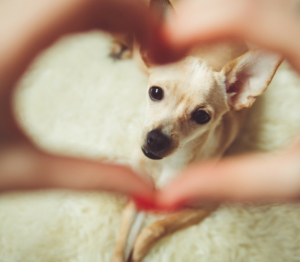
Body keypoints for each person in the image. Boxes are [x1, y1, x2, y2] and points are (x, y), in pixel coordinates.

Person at [1, 0, 300, 210]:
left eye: (198, 116)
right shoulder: (163, 63)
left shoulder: (228, 92)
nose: (161, 132)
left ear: (239, 93)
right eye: (157, 93)